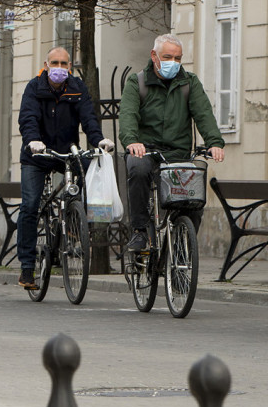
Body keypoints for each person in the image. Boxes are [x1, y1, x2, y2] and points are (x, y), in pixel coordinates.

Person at [16, 47, 114, 289]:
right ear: (46, 64)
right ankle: (27, 267)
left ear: (69, 66)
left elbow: (89, 117)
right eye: (54, 63)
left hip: (66, 152)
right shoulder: (33, 87)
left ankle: (74, 222)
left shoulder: (77, 87)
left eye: (64, 63)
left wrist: (98, 139)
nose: (59, 67)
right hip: (37, 154)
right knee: (29, 206)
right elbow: (27, 117)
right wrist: (32, 141)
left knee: (90, 168)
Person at [119, 34, 225, 253]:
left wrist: (214, 142)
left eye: (178, 58)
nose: (173, 63)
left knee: (194, 197)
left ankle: (181, 250)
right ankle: (140, 231)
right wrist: (132, 142)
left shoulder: (189, 82)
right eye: (168, 57)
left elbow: (203, 114)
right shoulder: (137, 82)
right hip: (146, 152)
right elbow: (128, 116)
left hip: (178, 153)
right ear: (154, 56)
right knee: (137, 170)